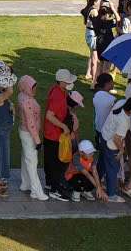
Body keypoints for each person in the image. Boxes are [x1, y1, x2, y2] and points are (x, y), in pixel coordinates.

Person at [43, 69, 76, 200]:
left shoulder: (58, 90)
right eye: (68, 81)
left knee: (50, 162)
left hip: (51, 134)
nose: (70, 83)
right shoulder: (57, 95)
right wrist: (64, 126)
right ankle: (55, 190)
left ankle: (51, 184)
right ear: (62, 82)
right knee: (57, 163)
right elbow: (49, 115)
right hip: (54, 135)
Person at [102, 98, 131, 203]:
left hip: (104, 136)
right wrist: (121, 150)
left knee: (103, 164)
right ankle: (111, 194)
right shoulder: (124, 121)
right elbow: (116, 138)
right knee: (113, 169)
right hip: (111, 144)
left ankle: (98, 182)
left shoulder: (122, 103)